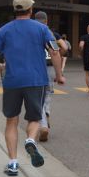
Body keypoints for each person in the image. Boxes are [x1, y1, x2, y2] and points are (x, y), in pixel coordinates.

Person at [0, 0, 65, 176]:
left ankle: (13, 163)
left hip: (12, 81)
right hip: (36, 81)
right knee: (35, 118)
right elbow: (55, 52)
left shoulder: (4, 30)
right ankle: (30, 140)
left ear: (15, 10)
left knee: (11, 121)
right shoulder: (42, 29)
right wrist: (59, 75)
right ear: (31, 10)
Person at [34, 11, 68, 142]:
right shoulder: (52, 33)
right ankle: (47, 112)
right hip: (50, 66)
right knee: (48, 92)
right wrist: (60, 55)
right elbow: (64, 47)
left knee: (38, 97)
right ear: (46, 21)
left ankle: (42, 124)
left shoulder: (33, 31)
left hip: (37, 66)